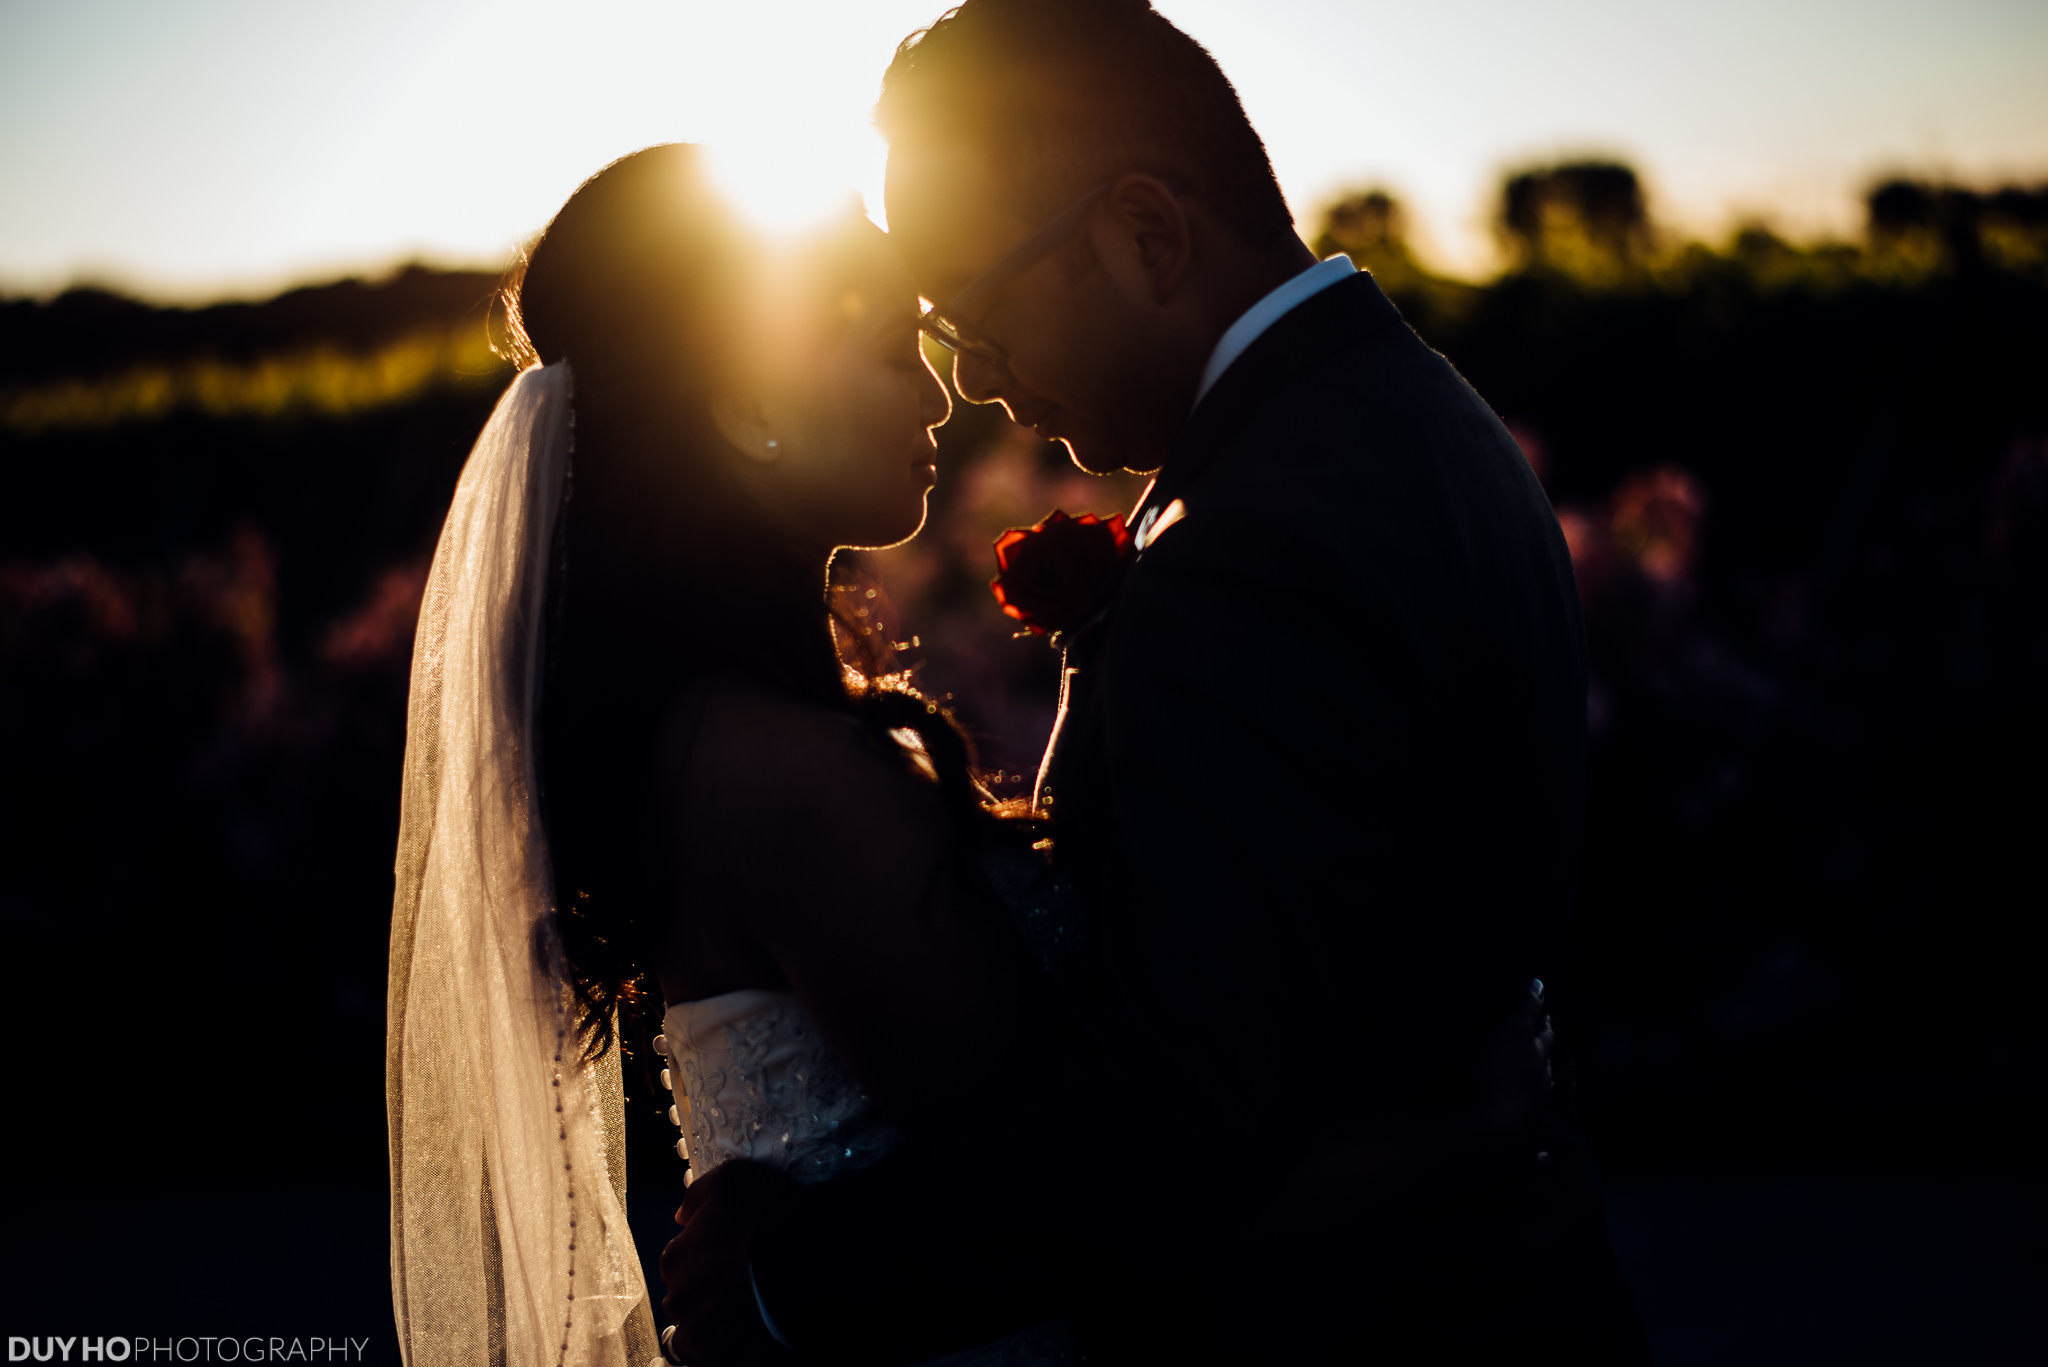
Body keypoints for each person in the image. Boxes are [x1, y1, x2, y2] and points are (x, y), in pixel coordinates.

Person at [659, 2, 1648, 1364]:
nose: (981, 384)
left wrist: (794, 1283)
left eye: (977, 314)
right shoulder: (1414, 416)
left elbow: (1180, 1117)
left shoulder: (1255, 545)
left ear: (1145, 234)